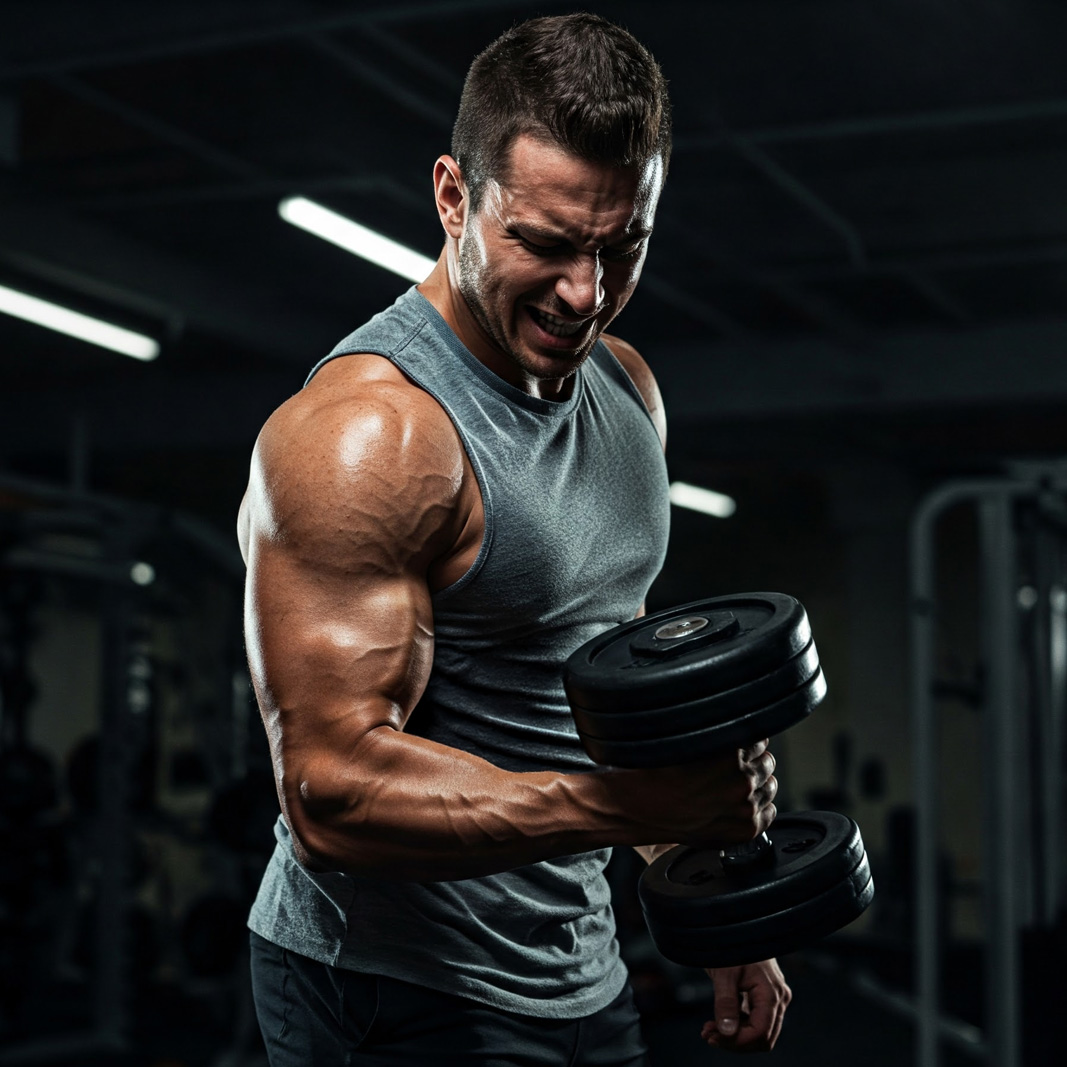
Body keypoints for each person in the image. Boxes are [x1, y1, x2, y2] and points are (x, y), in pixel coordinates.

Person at [238, 13, 790, 1065]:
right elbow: (330, 790)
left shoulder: (626, 392)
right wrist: (629, 802)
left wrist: (709, 880)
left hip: (577, 965)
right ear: (454, 195)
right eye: (542, 243)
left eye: (619, 246)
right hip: (389, 987)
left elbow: (595, 696)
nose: (583, 293)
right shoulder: (371, 435)